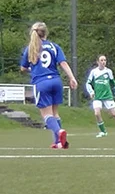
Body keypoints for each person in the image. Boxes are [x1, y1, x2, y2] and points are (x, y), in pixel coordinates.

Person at [19, 21, 79, 149]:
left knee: (46, 115)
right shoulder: (54, 46)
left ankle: (59, 132)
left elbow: (23, 68)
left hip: (41, 83)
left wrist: (32, 69)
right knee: (55, 113)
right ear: (46, 33)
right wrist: (72, 78)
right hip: (56, 81)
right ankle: (58, 142)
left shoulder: (30, 48)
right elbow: (63, 63)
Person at [85, 54, 115, 137]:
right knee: (97, 113)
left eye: (105, 60)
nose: (103, 62)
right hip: (97, 96)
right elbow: (88, 83)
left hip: (107, 96)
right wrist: (91, 92)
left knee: (114, 114)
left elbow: (113, 83)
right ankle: (103, 132)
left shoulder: (108, 71)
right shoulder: (94, 72)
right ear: (98, 62)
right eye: (101, 60)